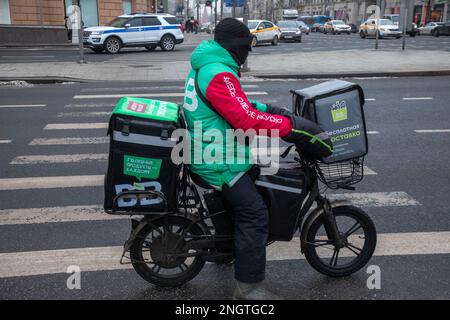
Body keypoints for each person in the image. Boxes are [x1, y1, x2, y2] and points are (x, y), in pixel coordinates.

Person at [182, 18, 333, 300]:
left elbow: (236, 105)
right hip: (217, 158)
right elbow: (244, 118)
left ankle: (228, 247)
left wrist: (272, 109)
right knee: (254, 214)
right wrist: (292, 128)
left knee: (251, 192)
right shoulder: (219, 74)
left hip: (213, 149)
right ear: (234, 47)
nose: (248, 53)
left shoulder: (209, 65)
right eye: (245, 48)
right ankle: (249, 287)